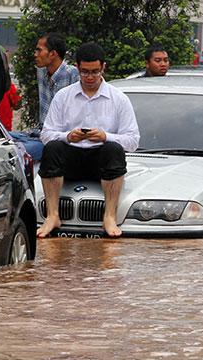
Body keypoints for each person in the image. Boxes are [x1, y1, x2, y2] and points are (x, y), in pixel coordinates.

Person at [36, 42, 140, 238]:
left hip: (102, 160)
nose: (90, 77)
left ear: (103, 68)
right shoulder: (63, 96)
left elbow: (133, 140)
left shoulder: (119, 99)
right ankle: (52, 215)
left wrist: (105, 136)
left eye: (95, 71)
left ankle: (109, 216)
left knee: (113, 149)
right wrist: (67, 136)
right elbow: (46, 134)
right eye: (84, 72)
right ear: (77, 68)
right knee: (52, 148)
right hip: (71, 158)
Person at [34, 32, 79, 129]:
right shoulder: (41, 71)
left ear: (53, 54)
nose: (35, 54)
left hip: (64, 134)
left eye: (39, 51)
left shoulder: (73, 75)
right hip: (43, 131)